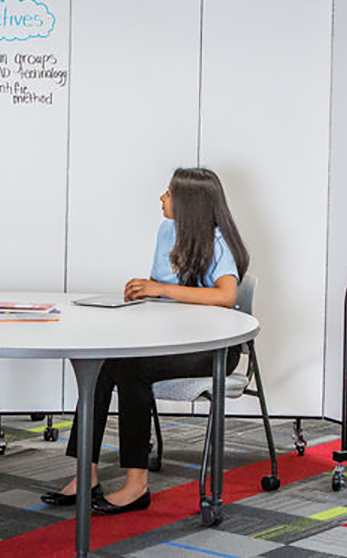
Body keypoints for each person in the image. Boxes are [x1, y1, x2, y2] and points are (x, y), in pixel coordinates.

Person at [42, 167, 249, 515]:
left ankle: (136, 485)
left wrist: (161, 290)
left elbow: (226, 296)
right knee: (103, 365)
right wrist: (142, 292)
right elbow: (160, 287)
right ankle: (85, 474)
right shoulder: (167, 231)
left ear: (191, 203)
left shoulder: (216, 241)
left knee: (130, 371)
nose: (162, 197)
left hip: (211, 349)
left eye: (169, 193)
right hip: (170, 339)